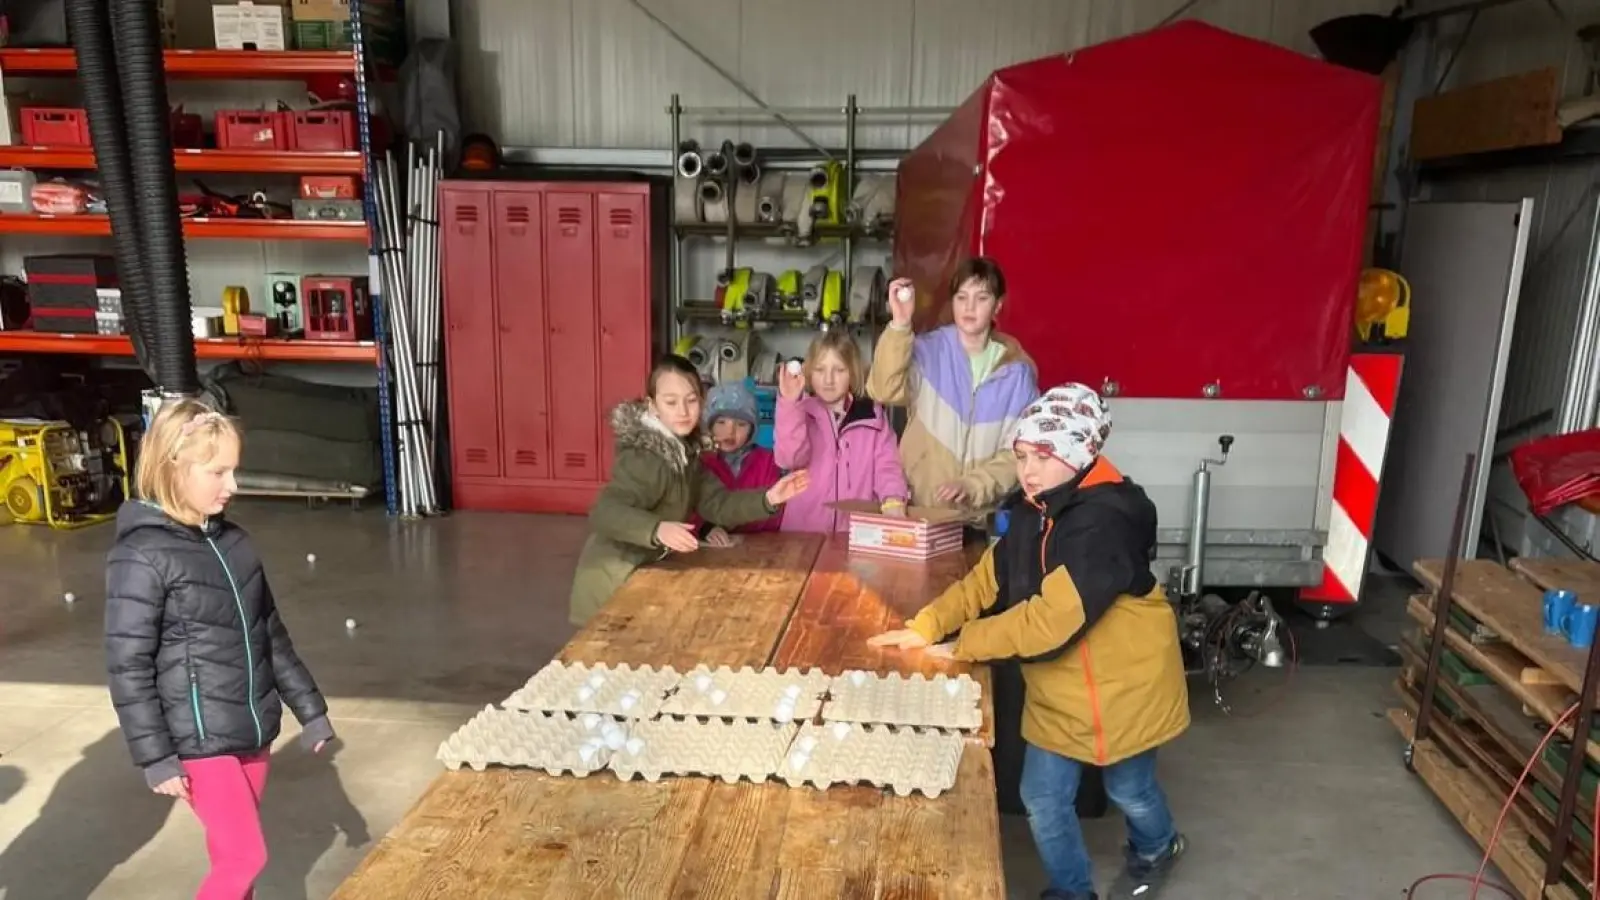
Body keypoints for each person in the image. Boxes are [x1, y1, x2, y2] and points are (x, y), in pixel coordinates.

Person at [869, 384, 1188, 900]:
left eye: (1045, 455)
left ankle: (1158, 844)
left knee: (1128, 787)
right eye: (1021, 456)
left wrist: (967, 642)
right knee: (1041, 796)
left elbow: (1049, 621)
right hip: (1060, 690)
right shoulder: (1033, 510)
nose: (1029, 470)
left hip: (1121, 691)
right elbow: (988, 578)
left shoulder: (1103, 523)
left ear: (1081, 453)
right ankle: (1071, 890)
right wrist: (928, 624)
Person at [105, 399, 334, 900]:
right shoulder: (141, 556)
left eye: (235, 470)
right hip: (198, 741)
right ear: (174, 468)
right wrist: (156, 756)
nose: (233, 485)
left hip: (251, 729)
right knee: (244, 856)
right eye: (218, 472)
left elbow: (270, 633)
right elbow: (128, 666)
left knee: (235, 864)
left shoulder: (236, 544)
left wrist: (310, 710)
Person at [568, 355, 810, 624]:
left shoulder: (686, 454)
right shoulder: (645, 457)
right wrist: (657, 529)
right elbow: (605, 511)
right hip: (611, 584)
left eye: (691, 400)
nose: (683, 411)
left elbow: (718, 503)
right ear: (653, 406)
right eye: (671, 402)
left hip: (643, 575)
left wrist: (768, 498)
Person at [866, 256, 1039, 515]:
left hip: (980, 520)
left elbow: (1018, 454)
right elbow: (882, 389)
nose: (970, 307)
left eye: (981, 298)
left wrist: (972, 485)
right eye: (961, 297)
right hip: (921, 511)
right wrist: (900, 325)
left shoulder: (1017, 374)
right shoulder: (927, 352)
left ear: (997, 306)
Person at [774, 330, 910, 532]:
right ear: (809, 372)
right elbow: (790, 459)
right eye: (820, 370)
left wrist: (893, 500)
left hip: (858, 534)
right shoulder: (799, 411)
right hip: (803, 533)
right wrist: (789, 404)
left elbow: (888, 467)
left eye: (839, 370)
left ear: (853, 372)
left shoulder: (872, 417)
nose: (828, 380)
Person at [693, 381, 782, 540]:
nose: (730, 431)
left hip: (763, 546)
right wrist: (705, 528)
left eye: (741, 424)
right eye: (721, 422)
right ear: (708, 425)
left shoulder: (768, 461)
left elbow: (775, 513)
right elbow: (690, 508)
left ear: (753, 430)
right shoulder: (701, 461)